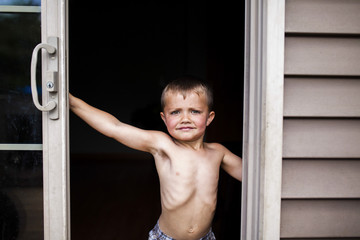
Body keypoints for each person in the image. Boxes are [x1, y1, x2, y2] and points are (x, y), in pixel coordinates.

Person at [69, 76, 242, 240]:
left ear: (209, 118)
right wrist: (70, 101)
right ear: (164, 119)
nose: (185, 119)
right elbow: (115, 127)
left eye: (195, 111)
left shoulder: (218, 153)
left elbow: (255, 176)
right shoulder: (163, 145)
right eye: (175, 112)